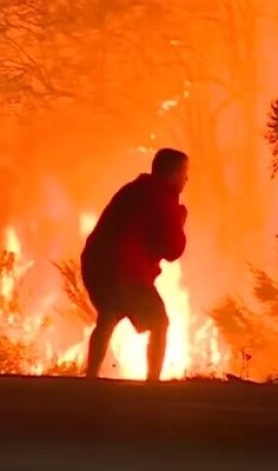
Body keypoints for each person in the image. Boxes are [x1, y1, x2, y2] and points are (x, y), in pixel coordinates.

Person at [81, 148, 189, 381]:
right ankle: (152, 382)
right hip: (128, 272)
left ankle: (90, 376)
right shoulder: (164, 198)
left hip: (98, 265)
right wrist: (179, 223)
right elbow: (172, 250)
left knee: (108, 315)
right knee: (160, 322)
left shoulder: (133, 190)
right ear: (171, 174)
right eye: (183, 173)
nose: (186, 179)